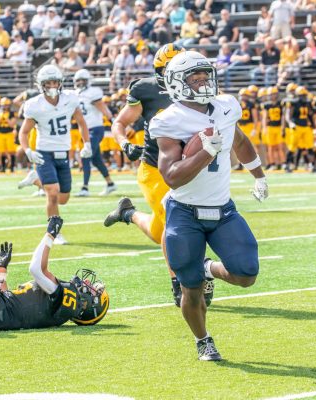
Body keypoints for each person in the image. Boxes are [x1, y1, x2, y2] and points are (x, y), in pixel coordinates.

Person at [149, 51, 267, 361]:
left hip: (222, 209)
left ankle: (207, 268)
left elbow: (239, 140)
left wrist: (258, 175)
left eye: (205, 75)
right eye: (194, 77)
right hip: (185, 212)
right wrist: (205, 154)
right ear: (177, 83)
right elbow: (172, 177)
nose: (202, 82)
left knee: (246, 273)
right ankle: (203, 340)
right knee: (191, 289)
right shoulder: (168, 120)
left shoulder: (227, 106)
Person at [104, 43, 186, 307]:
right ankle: (178, 283)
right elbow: (120, 122)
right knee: (174, 225)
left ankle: (127, 213)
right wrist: (124, 143)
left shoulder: (197, 88)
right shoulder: (146, 89)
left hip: (188, 168)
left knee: (160, 230)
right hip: (155, 168)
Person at [18, 65, 91, 245]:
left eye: (54, 82)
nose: (51, 86)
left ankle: (36, 180)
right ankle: (54, 232)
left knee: (63, 199)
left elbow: (81, 122)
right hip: (44, 153)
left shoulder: (70, 99)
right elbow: (23, 132)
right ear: (41, 85)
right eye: (48, 83)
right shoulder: (34, 105)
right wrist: (28, 151)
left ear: (60, 83)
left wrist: (87, 143)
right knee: (52, 193)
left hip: (63, 151)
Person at [73, 69, 116, 197]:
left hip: (96, 129)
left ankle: (85, 188)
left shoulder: (93, 92)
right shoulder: (75, 94)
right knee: (96, 160)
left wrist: (112, 119)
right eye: (78, 80)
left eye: (82, 80)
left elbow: (102, 106)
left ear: (88, 81)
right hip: (85, 130)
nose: (80, 82)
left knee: (85, 156)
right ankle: (110, 184)